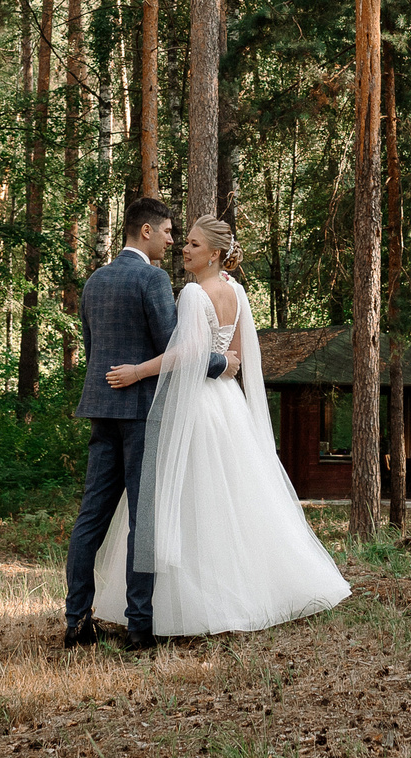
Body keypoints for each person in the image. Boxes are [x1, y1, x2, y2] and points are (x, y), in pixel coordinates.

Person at [89, 216, 350, 638]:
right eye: (184, 242)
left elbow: (185, 353)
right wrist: (224, 366)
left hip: (195, 402)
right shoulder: (236, 291)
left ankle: (191, 604)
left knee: (187, 498)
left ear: (213, 253)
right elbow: (234, 357)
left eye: (192, 244)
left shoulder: (193, 292)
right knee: (230, 500)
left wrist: (138, 371)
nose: (184, 250)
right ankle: (247, 590)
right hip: (228, 404)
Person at [63, 197, 238, 652]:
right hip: (142, 414)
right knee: (145, 520)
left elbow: (92, 346)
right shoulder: (153, 278)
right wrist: (222, 361)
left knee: (89, 520)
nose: (172, 240)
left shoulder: (95, 281)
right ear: (145, 231)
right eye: (167, 232)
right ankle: (139, 626)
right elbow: (178, 347)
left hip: (102, 410)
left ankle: (76, 621)